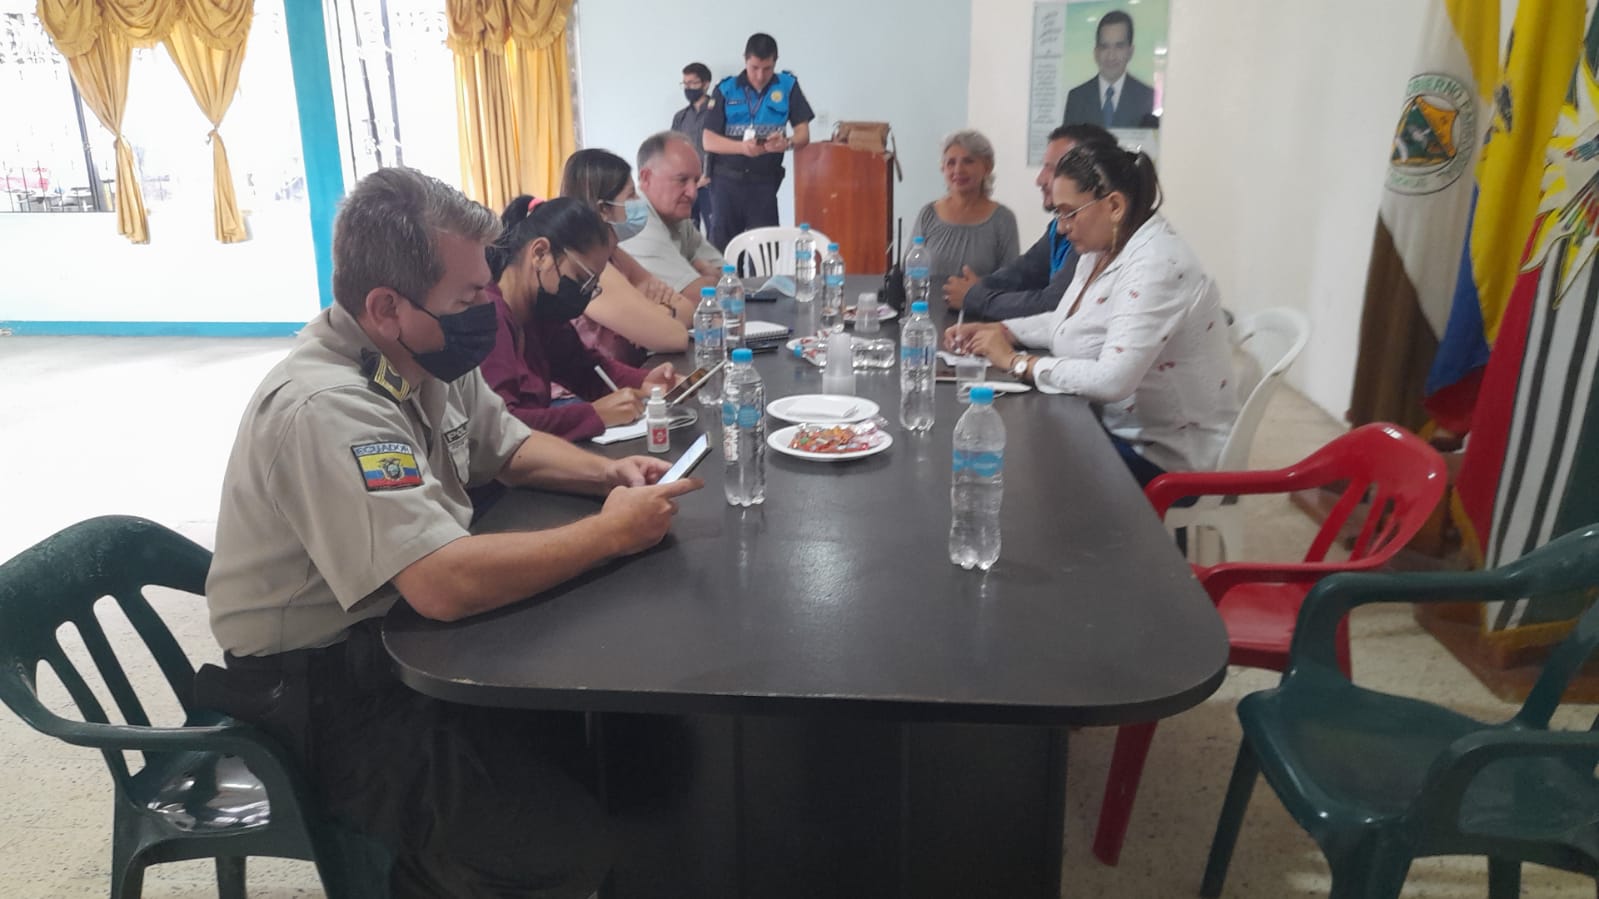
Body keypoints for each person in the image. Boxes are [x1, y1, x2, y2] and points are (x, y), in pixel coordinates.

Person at [201, 167, 703, 897]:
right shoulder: (325, 407)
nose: (485, 310)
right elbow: (441, 582)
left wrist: (609, 475)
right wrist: (610, 535)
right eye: (468, 298)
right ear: (386, 307)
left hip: (404, 646)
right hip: (323, 694)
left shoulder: (427, 351)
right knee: (554, 846)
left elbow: (509, 447)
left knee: (626, 744)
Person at [944, 142, 1237, 483]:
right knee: (1017, 450)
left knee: (1022, 468)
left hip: (1167, 457)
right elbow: (1070, 320)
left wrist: (1016, 362)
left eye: (1069, 213)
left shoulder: (1157, 265)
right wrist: (1003, 330)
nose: (1062, 227)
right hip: (1111, 426)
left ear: (1114, 206)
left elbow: (1112, 379)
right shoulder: (1103, 247)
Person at [482, 195, 681, 443]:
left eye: (592, 285)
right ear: (540, 254)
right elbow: (502, 427)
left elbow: (585, 369)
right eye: (581, 278)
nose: (583, 294)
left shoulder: (539, 314)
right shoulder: (490, 318)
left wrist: (646, 382)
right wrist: (594, 415)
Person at [944, 123, 1117, 321]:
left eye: (1053, 169)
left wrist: (976, 298)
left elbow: (1054, 303)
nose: (1039, 180)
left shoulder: (1092, 237)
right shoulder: (1058, 228)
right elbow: (1023, 273)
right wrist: (978, 288)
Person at [560, 148, 694, 363]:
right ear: (603, 210)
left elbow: (688, 308)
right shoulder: (588, 269)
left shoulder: (613, 254)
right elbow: (674, 337)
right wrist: (657, 316)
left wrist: (657, 314)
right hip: (596, 384)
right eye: (631, 195)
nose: (639, 202)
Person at [701, 32, 814, 248]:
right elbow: (708, 140)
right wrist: (741, 148)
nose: (760, 76)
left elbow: (803, 134)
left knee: (765, 250)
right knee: (723, 250)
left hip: (764, 184)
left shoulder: (788, 86)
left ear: (775, 62)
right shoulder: (726, 88)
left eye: (767, 68)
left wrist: (787, 143)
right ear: (745, 59)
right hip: (726, 184)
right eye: (754, 68)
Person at [911, 129, 1021, 292]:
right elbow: (910, 273)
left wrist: (979, 290)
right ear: (943, 168)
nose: (958, 170)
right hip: (927, 308)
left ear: (987, 167)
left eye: (968, 161)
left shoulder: (1003, 220)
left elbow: (1011, 282)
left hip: (981, 308)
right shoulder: (928, 215)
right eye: (951, 162)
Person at [621, 132, 727, 294]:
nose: (692, 192)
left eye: (696, 181)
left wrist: (702, 276)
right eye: (681, 180)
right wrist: (704, 273)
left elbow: (729, 277)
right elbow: (696, 296)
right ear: (646, 177)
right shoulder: (636, 223)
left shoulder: (677, 218)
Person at [1061, 11, 1159, 130]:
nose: (1111, 56)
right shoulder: (1077, 98)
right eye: (1104, 47)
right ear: (1096, 52)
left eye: (1119, 46)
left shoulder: (1146, 96)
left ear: (1130, 52)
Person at [672, 62, 716, 236]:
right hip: (687, 185)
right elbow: (674, 150)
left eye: (693, 83)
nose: (688, 88)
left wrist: (708, 175)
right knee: (688, 233)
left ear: (706, 84)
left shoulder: (717, 111)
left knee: (715, 232)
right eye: (685, 83)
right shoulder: (681, 117)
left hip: (713, 184)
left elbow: (722, 147)